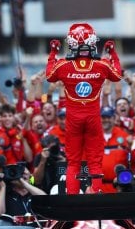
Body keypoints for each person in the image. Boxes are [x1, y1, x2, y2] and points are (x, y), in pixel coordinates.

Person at [46, 22, 122, 194]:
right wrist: (113, 54)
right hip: (93, 120)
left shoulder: (63, 65)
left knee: (73, 162)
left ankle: (73, 202)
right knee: (94, 163)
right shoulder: (101, 65)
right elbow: (117, 75)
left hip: (73, 120)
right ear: (93, 42)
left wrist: (53, 52)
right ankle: (96, 197)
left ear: (71, 43)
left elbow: (49, 76)